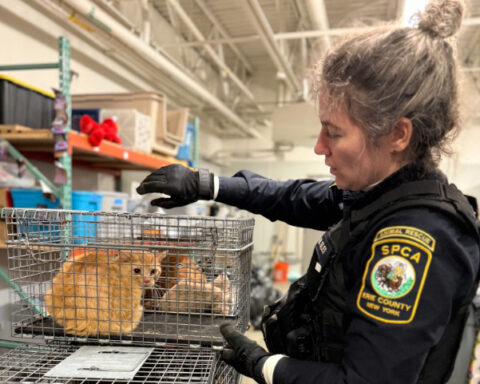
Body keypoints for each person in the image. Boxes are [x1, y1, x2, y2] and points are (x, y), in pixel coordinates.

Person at [136, 0, 480, 382]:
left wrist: (263, 365)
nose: (319, 146)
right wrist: (207, 184)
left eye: (333, 132)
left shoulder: (415, 240)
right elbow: (293, 197)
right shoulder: (379, 197)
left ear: (397, 134)